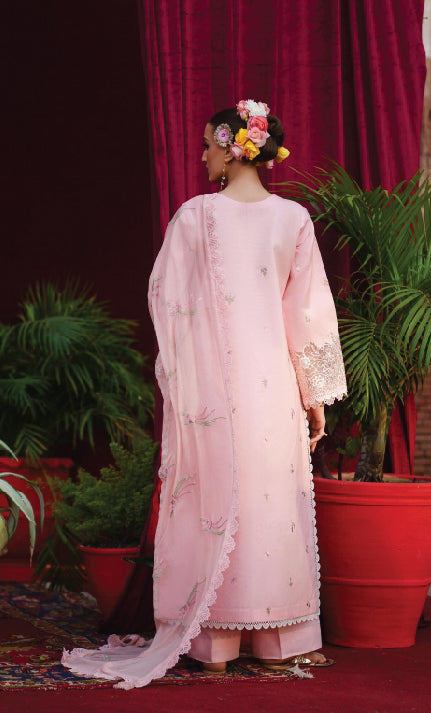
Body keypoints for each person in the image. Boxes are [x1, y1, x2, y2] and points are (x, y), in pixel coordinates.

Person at [61, 99, 347, 689]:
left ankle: (212, 643)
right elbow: (309, 313)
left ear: (232, 149)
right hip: (274, 390)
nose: (201, 156)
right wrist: (314, 394)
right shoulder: (293, 219)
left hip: (213, 394)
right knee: (271, 507)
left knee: (214, 505)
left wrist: (186, 376)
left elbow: (167, 301)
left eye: (207, 146)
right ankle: (278, 641)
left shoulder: (196, 216)